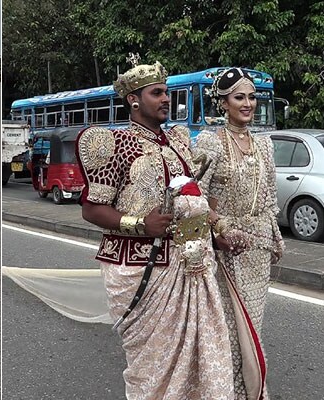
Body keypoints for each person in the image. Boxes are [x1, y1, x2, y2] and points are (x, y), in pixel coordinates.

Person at [75, 61, 235, 399]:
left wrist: (217, 231)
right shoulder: (113, 144)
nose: (166, 98)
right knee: (151, 366)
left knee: (207, 356)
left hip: (192, 264)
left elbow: (195, 196)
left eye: (166, 92)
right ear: (134, 99)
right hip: (140, 268)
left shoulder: (178, 141)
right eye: (157, 93)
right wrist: (139, 225)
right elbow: (91, 208)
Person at [192, 67, 284, 399]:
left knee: (254, 329)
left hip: (257, 251)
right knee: (231, 332)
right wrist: (219, 226)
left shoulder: (265, 144)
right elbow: (191, 195)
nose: (247, 104)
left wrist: (274, 236)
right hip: (227, 252)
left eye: (251, 97)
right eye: (239, 97)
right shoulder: (209, 142)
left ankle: (252, 391)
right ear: (223, 103)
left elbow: (269, 197)